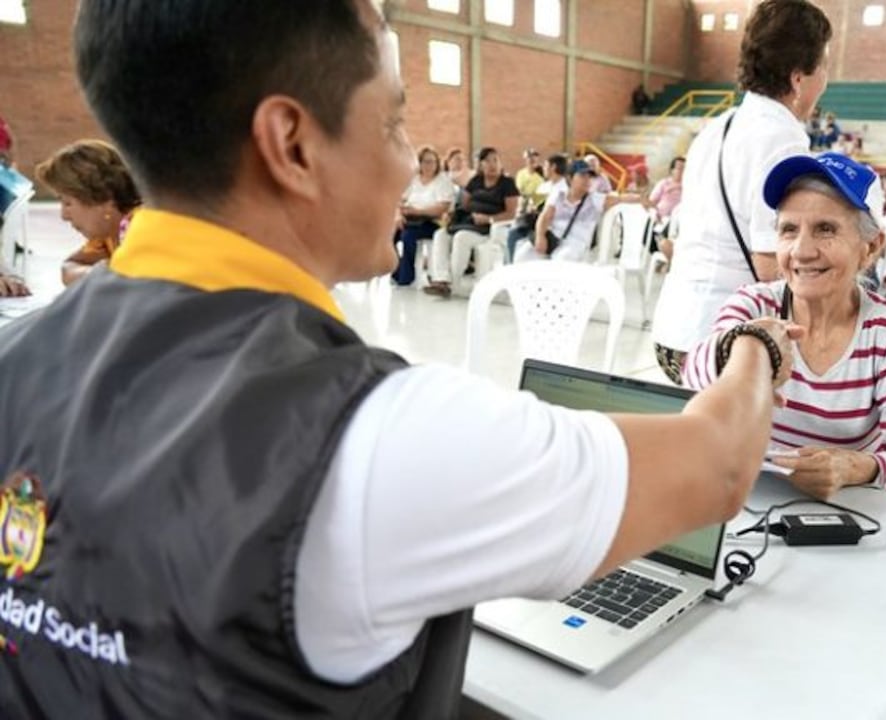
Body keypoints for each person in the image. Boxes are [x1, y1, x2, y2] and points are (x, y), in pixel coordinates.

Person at [0, 1, 798, 716]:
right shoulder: (377, 434)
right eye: (392, 124)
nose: (410, 161)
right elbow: (720, 465)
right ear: (292, 144)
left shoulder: (19, 354)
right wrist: (760, 341)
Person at [683, 152, 886, 497]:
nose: (801, 251)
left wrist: (852, 468)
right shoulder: (755, 305)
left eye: (825, 229)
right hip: (750, 495)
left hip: (844, 506)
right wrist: (747, 343)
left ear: (870, 247)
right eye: (789, 230)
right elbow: (694, 373)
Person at [651, 0, 832, 384]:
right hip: (721, 340)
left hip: (675, 328)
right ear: (798, 78)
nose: (825, 80)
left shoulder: (719, 126)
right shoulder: (783, 139)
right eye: (823, 66)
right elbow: (771, 264)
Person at [34, 139, 141, 286]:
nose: (64, 216)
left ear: (104, 199)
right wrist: (95, 276)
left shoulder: (142, 230)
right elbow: (70, 265)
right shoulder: (106, 234)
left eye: (68, 203)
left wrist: (97, 279)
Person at [423, 146, 519, 298]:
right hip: (469, 223)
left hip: (489, 228)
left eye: (495, 160)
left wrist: (489, 219)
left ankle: (453, 282)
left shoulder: (507, 183)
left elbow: (511, 213)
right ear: (481, 164)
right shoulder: (476, 181)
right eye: (487, 161)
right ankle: (441, 279)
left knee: (461, 237)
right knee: (440, 234)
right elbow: (465, 205)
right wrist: (451, 214)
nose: (492, 165)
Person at [513, 159, 639, 263]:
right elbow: (545, 217)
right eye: (582, 176)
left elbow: (621, 198)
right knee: (522, 256)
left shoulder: (594, 199)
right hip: (553, 238)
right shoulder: (558, 195)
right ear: (570, 178)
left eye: (589, 176)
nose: (587, 180)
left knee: (560, 261)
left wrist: (642, 199)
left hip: (575, 244)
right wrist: (540, 237)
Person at [392, 144, 453, 286]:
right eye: (425, 162)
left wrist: (417, 211)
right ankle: (396, 272)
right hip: (410, 218)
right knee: (390, 235)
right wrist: (398, 216)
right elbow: (399, 201)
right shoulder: (414, 180)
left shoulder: (443, 181)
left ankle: (406, 277)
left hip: (433, 222)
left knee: (408, 236)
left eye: (432, 162)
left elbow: (442, 208)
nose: (429, 165)